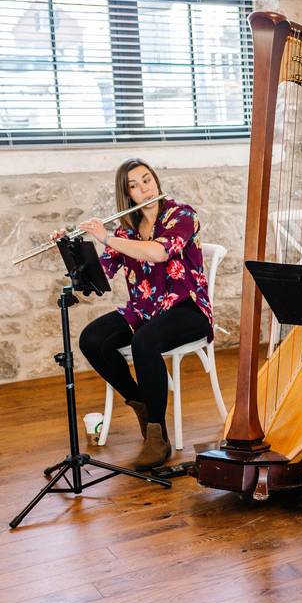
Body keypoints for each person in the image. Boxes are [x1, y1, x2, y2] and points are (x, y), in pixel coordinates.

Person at [57, 158, 213, 471]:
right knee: (92, 340)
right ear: (126, 194)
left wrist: (106, 238)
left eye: (146, 180)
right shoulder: (125, 230)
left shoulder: (182, 214)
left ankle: (157, 438)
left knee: (145, 341)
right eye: (134, 185)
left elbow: (159, 251)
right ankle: (143, 405)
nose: (144, 188)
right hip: (144, 311)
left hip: (187, 308)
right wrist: (70, 248)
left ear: (155, 181)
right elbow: (99, 277)